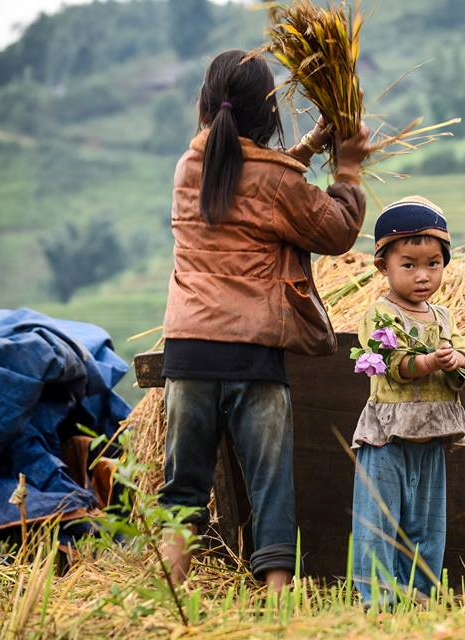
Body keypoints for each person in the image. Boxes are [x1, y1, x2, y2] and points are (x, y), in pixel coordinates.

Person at [158, 49, 371, 592]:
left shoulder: (188, 168)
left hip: (188, 353)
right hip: (253, 355)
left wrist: (308, 148)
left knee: (182, 493)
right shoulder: (276, 183)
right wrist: (346, 168)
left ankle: (171, 600)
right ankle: (277, 610)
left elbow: (250, 179)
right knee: (271, 486)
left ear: (207, 105)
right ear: (269, 114)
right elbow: (334, 230)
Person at [349, 196, 465, 605]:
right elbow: (389, 364)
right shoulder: (380, 314)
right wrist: (425, 362)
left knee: (427, 524)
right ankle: (378, 602)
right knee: (379, 521)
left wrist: (457, 360)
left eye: (433, 264)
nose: (422, 275)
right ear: (383, 266)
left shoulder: (443, 318)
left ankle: (419, 597)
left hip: (432, 436)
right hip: (388, 437)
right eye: (408, 264)